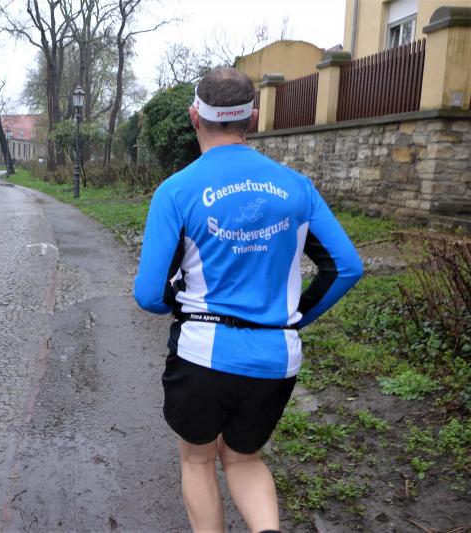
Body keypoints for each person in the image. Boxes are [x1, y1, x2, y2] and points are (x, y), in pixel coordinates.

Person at [133, 67, 363, 533]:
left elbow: (149, 294)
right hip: (275, 357)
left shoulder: (176, 191)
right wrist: (295, 318)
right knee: (242, 459)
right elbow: (346, 267)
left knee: (198, 460)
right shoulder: (297, 188)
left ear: (194, 117)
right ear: (253, 119)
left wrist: (181, 305)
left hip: (202, 355)